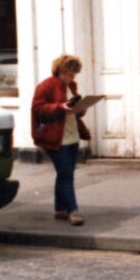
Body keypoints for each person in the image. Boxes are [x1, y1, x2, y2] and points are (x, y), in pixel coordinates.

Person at [31, 54, 91, 226]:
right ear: (60, 71)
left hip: (72, 136)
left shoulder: (71, 86)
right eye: (69, 73)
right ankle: (73, 211)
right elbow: (37, 108)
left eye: (74, 74)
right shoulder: (46, 85)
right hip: (55, 137)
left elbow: (74, 112)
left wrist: (80, 108)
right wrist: (59, 106)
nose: (72, 77)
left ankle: (60, 209)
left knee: (65, 173)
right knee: (66, 174)